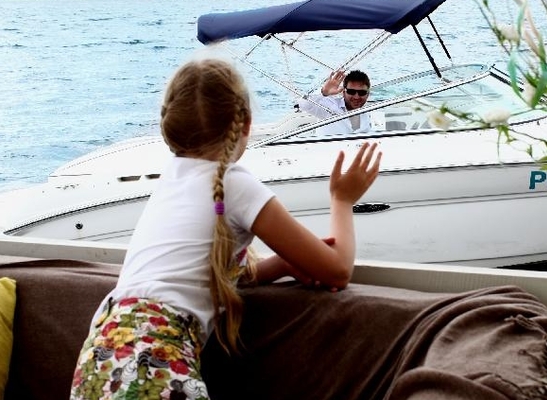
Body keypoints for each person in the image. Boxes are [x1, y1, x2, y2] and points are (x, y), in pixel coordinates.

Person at [69, 56, 381, 399]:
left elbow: (200, 275)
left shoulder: (171, 178)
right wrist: (342, 200)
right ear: (245, 124)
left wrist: (280, 265)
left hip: (99, 355)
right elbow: (337, 270)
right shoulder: (236, 184)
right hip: (157, 360)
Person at [298, 69, 372, 135]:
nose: (356, 97)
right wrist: (323, 92)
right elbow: (303, 105)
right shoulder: (330, 106)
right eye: (351, 91)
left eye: (362, 93)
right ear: (343, 92)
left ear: (367, 94)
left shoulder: (369, 110)